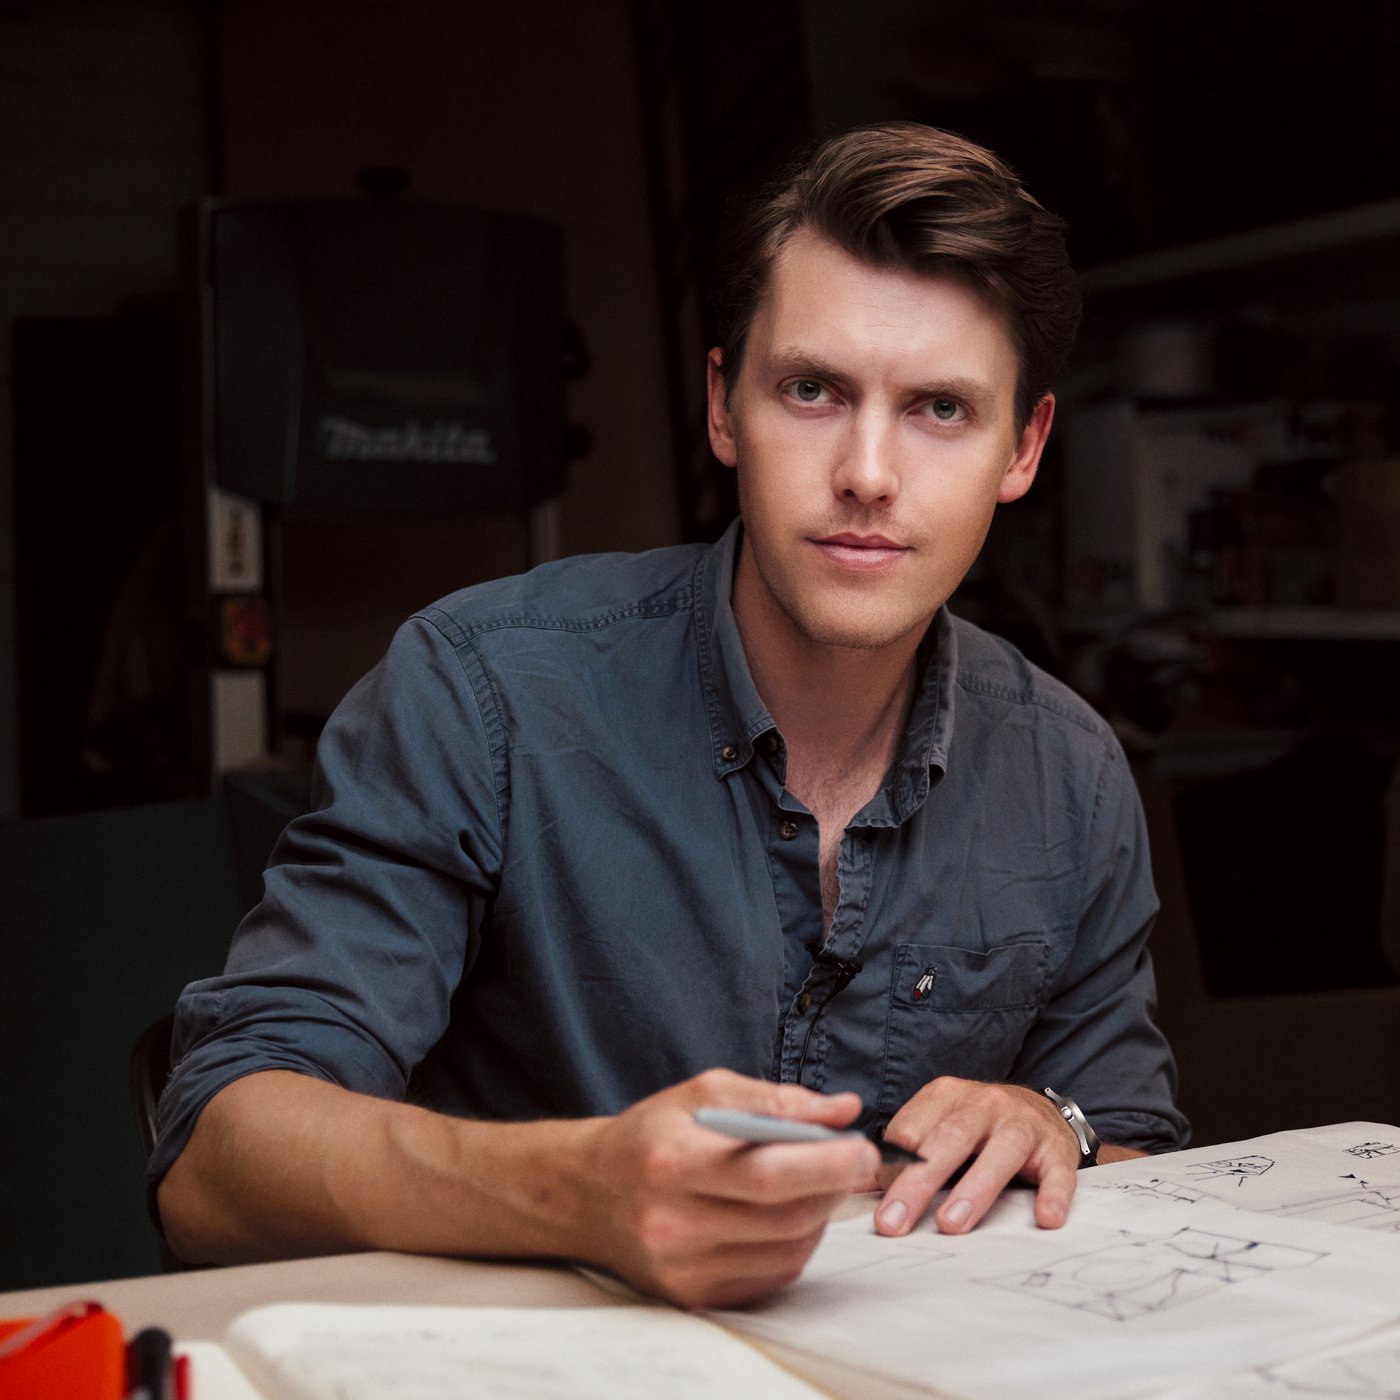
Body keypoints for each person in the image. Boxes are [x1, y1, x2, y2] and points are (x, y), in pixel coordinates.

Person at [153, 121, 1188, 1308]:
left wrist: (1048, 1122)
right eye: (811, 388)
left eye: (939, 409)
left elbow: (1129, 1140)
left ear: (1024, 446)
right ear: (721, 406)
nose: (865, 470)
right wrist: (574, 1187)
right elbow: (212, 1156)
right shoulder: (482, 688)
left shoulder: (1068, 769)